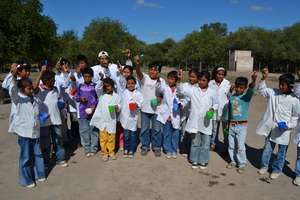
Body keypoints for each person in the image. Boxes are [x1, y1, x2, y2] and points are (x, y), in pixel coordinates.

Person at [256, 68, 300, 179]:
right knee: (267, 149)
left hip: (284, 132)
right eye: (280, 84)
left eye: (283, 85)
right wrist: (263, 78)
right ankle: (264, 166)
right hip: (272, 129)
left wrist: (287, 125)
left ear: (290, 86)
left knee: (281, 153)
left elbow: (295, 118)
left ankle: (277, 169)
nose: (280, 86)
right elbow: (262, 90)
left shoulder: (294, 100)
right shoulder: (273, 93)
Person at [9, 78, 46, 188]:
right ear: (21, 89)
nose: (31, 90)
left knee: (38, 154)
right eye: (28, 88)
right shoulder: (18, 99)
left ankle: (39, 174)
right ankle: (26, 180)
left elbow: (37, 111)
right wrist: (14, 76)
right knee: (25, 157)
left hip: (35, 131)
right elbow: (13, 91)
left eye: (31, 88)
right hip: (24, 132)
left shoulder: (33, 98)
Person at [178, 71, 218, 169]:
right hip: (195, 122)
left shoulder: (212, 92)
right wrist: (179, 80)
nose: (200, 82)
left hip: (206, 122)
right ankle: (194, 159)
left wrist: (213, 109)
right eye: (199, 80)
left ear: (208, 81)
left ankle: (203, 160)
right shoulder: (193, 90)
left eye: (203, 80)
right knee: (195, 142)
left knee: (205, 143)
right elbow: (180, 92)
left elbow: (216, 103)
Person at [36, 70, 68, 170]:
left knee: (58, 141)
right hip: (44, 122)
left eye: (54, 80)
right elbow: (33, 87)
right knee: (45, 143)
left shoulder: (55, 90)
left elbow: (59, 100)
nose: (54, 81)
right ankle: (45, 161)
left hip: (56, 120)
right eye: (52, 80)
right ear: (45, 80)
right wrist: (41, 73)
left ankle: (60, 159)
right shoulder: (39, 90)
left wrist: (62, 104)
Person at [226, 72, 257, 174]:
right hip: (232, 125)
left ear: (244, 88)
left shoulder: (245, 98)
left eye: (241, 88)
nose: (239, 89)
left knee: (240, 146)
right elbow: (230, 111)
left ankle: (242, 163)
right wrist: (228, 123)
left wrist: (253, 80)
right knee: (231, 145)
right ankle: (233, 161)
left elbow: (251, 89)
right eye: (237, 87)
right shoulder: (232, 97)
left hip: (242, 125)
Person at [135, 56, 166, 157]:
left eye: (155, 70)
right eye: (151, 69)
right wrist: (137, 64)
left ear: (159, 71)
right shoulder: (145, 78)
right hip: (145, 109)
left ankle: (156, 147)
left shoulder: (161, 81)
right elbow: (138, 73)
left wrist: (160, 99)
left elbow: (163, 94)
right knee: (144, 129)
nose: (152, 71)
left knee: (157, 129)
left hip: (157, 110)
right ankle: (145, 146)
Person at [90, 78, 121, 161]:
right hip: (102, 120)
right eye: (105, 86)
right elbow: (97, 88)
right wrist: (102, 80)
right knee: (103, 138)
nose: (107, 88)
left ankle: (111, 152)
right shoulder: (101, 95)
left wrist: (117, 107)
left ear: (112, 86)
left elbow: (119, 107)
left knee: (111, 137)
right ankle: (104, 152)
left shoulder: (116, 96)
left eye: (108, 86)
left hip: (112, 120)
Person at [156, 70, 181, 159]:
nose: (170, 80)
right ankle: (168, 150)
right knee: (166, 133)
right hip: (166, 115)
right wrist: (158, 79)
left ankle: (174, 149)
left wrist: (180, 81)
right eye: (169, 78)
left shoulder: (179, 89)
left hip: (175, 115)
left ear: (176, 80)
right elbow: (158, 88)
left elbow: (182, 95)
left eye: (172, 79)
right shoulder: (165, 88)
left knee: (175, 134)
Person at [75, 67, 98, 157]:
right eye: (85, 76)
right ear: (83, 77)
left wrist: (94, 106)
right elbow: (76, 97)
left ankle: (94, 148)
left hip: (93, 111)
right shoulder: (80, 86)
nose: (87, 78)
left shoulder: (95, 86)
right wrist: (80, 99)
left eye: (89, 76)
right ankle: (87, 148)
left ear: (92, 77)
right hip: (83, 110)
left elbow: (98, 98)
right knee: (84, 130)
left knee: (94, 130)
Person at [119, 76, 143, 158]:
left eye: (132, 83)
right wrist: (117, 107)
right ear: (126, 84)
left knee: (133, 135)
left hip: (133, 117)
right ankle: (126, 148)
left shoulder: (138, 93)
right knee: (126, 135)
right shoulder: (124, 93)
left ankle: (132, 150)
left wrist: (137, 105)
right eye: (128, 83)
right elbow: (120, 104)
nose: (130, 85)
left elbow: (141, 103)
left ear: (135, 84)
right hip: (125, 117)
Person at [68, 54, 88, 146]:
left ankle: (90, 142)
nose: (82, 65)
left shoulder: (88, 74)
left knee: (90, 124)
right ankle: (84, 143)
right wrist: (73, 80)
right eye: (80, 63)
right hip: (80, 104)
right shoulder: (74, 75)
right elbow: (72, 89)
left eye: (83, 63)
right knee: (82, 125)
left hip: (89, 103)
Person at [2, 62, 31, 126]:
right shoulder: (15, 81)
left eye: (29, 70)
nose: (28, 72)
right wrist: (13, 74)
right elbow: (5, 85)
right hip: (18, 113)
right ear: (19, 72)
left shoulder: (29, 80)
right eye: (26, 70)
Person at [209, 67, 231, 151]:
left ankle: (226, 146)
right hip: (214, 110)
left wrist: (231, 91)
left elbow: (230, 96)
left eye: (222, 74)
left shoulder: (227, 83)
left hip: (225, 111)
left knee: (225, 130)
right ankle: (213, 144)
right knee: (214, 129)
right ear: (215, 74)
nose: (220, 76)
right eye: (219, 74)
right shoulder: (211, 83)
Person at [179, 68, 198, 157]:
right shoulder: (185, 85)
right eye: (190, 76)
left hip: (193, 114)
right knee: (183, 131)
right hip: (184, 113)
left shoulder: (199, 87)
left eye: (193, 77)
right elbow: (179, 92)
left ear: (197, 78)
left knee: (192, 132)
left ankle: (191, 148)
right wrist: (179, 80)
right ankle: (183, 148)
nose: (191, 79)